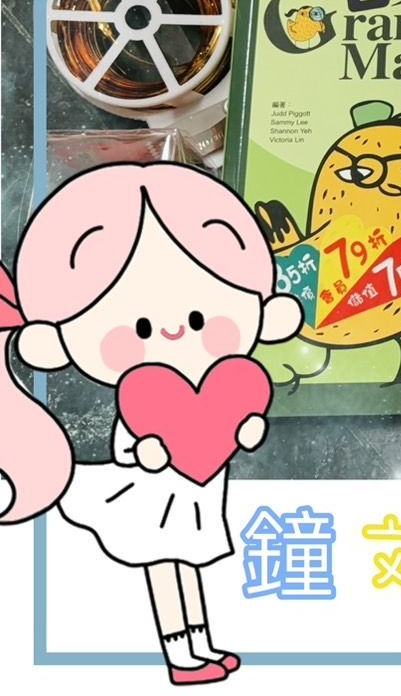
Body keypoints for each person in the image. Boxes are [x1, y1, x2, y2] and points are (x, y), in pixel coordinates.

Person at [0, 163, 303, 686]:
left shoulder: (230, 379)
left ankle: (201, 643)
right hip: (151, 496)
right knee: (165, 565)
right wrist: (148, 451)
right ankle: (180, 653)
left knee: (190, 562)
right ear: (59, 340)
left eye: (198, 318)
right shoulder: (142, 393)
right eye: (139, 326)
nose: (172, 332)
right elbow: (136, 441)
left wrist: (246, 429)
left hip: (198, 489)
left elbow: (233, 421)